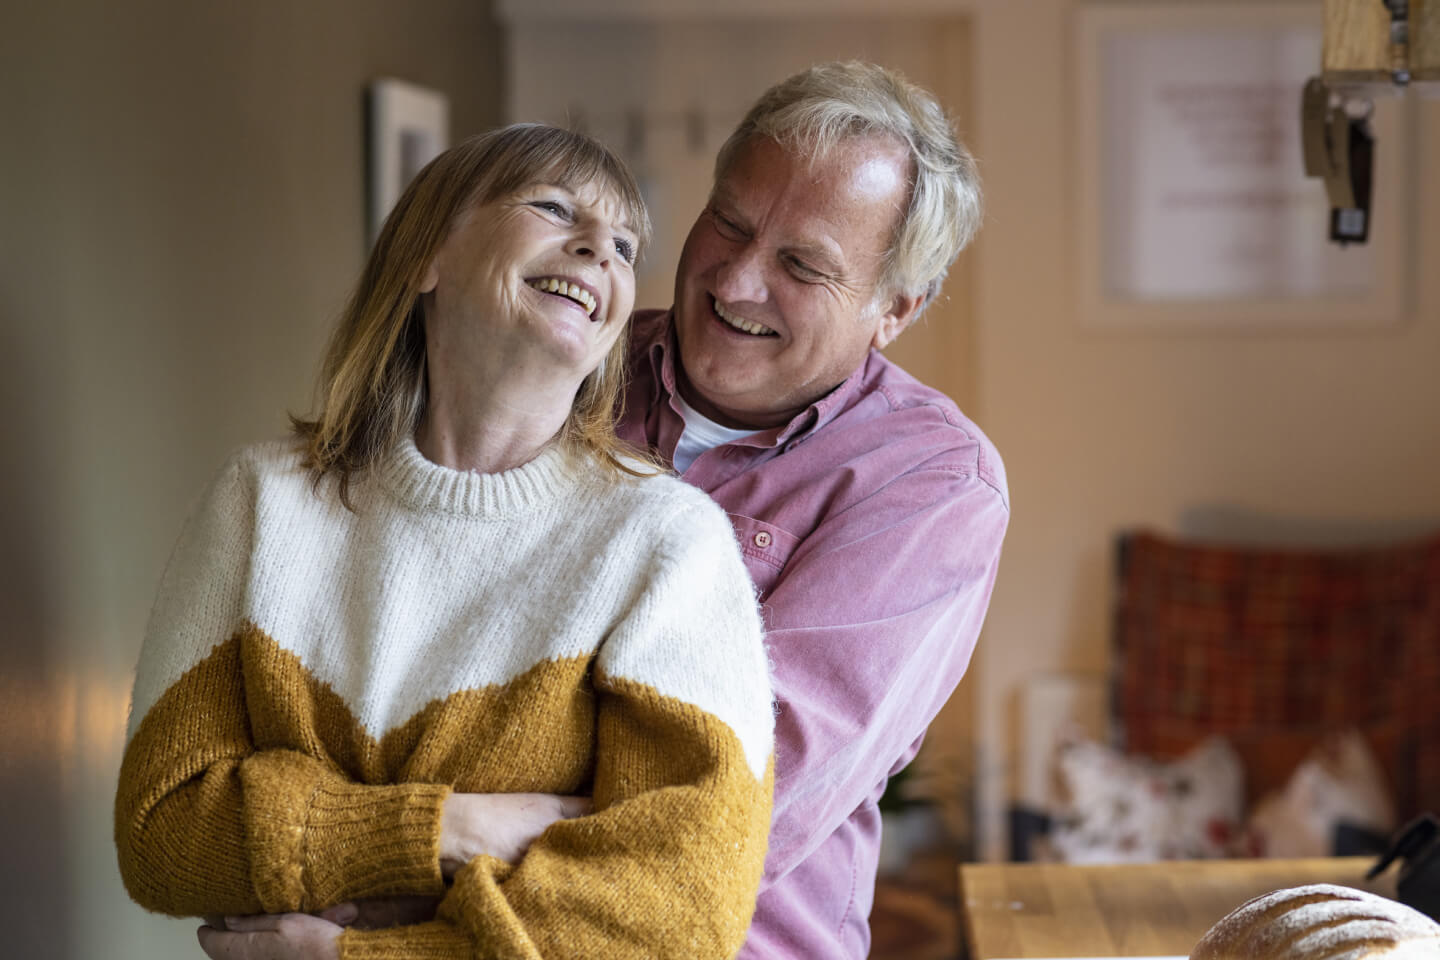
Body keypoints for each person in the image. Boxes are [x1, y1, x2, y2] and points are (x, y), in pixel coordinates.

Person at [113, 123, 774, 960]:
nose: (598, 252)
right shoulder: (259, 505)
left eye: (624, 246)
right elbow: (163, 831)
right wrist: (453, 831)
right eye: (553, 208)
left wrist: (345, 951)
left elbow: (675, 909)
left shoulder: (667, 546)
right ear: (426, 256)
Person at [612, 61, 1009, 957]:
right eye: (730, 222)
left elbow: (738, 802)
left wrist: (463, 826)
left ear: (895, 307)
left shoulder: (931, 482)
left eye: (801, 265)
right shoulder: (572, 370)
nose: (736, 282)